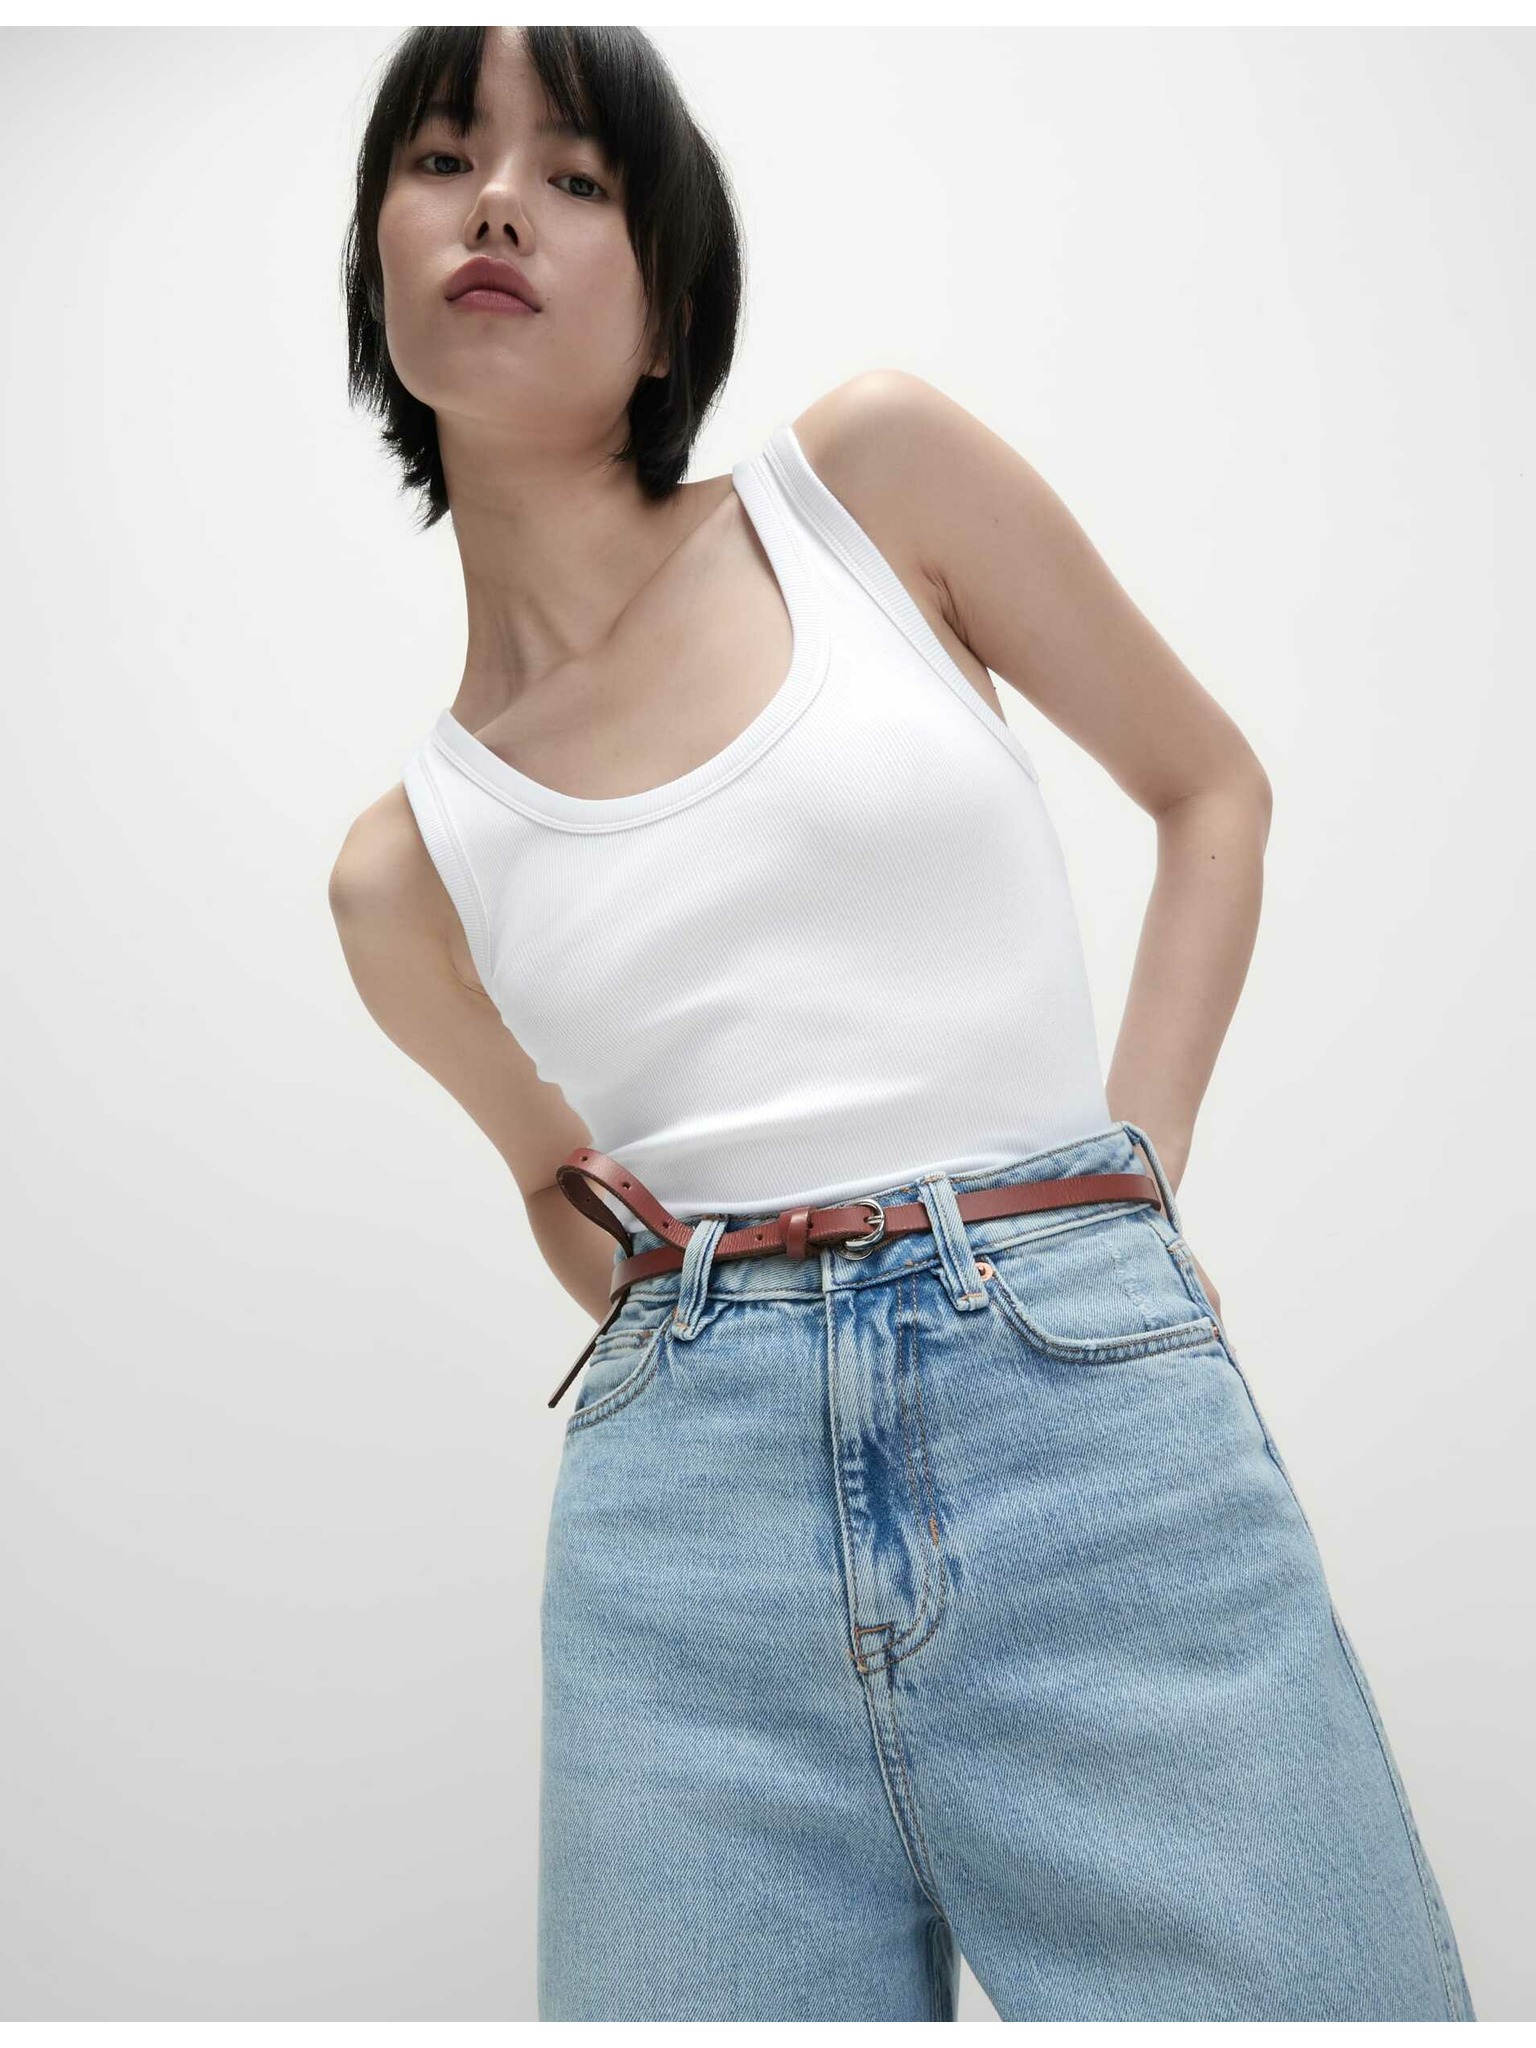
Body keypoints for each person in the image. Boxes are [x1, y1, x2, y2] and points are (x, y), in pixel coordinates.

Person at [327, 24, 1476, 2025]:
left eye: (575, 178)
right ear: (379, 259)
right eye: (443, 160)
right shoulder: (402, 871)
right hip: (682, 1555)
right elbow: (557, 1180)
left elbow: (1209, 788)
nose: (498, 201)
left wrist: (1122, 1193)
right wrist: (733, 1342)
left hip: (1079, 1414)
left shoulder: (864, 486)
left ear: (670, 304)